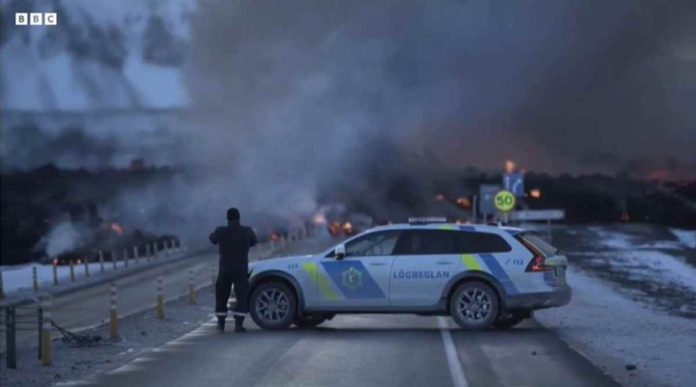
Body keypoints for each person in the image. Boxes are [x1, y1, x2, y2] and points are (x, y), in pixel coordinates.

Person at [209, 207, 257, 332]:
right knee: (242, 296)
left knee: (221, 296)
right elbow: (254, 241)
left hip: (225, 269)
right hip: (241, 269)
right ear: (239, 218)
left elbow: (212, 239)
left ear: (227, 218)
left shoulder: (221, 231)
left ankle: (220, 324)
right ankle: (239, 325)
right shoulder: (246, 231)